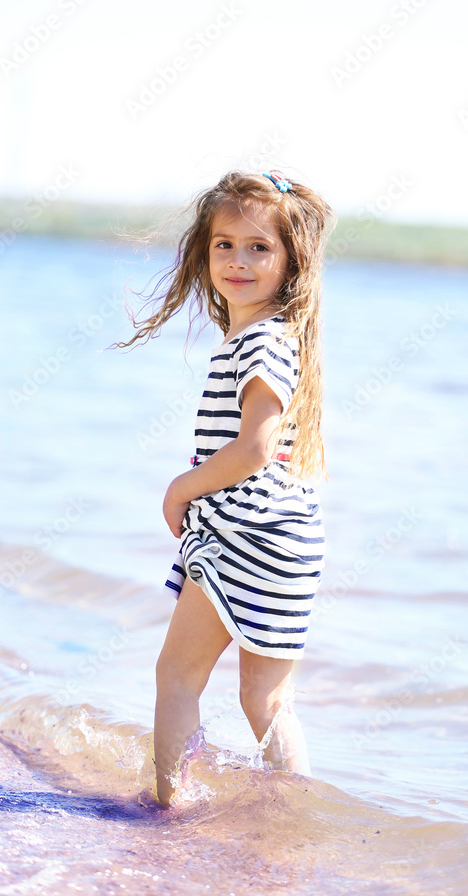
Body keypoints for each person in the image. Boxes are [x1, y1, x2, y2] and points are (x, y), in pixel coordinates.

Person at [117, 170, 334, 807]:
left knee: (176, 677)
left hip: (243, 534)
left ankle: (170, 807)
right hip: (288, 538)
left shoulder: (262, 341)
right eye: (224, 244)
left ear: (292, 260)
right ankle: (292, 809)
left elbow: (256, 447)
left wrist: (181, 488)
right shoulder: (275, 336)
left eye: (259, 247)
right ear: (203, 250)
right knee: (265, 697)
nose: (238, 260)